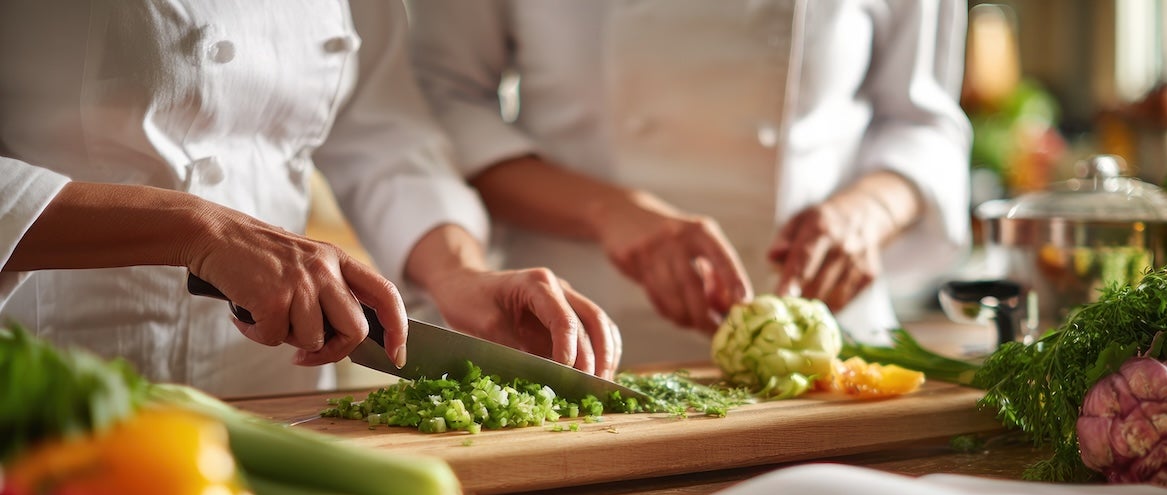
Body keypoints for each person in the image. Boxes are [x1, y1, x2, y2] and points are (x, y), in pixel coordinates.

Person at [0, 0, 620, 398]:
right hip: (46, 384)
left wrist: (459, 271)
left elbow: (381, 128)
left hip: (275, 388)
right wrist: (197, 229)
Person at [408, 0, 973, 365]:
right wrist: (608, 210)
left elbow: (925, 120)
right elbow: (442, 103)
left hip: (829, 339)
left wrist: (868, 213)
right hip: (582, 330)